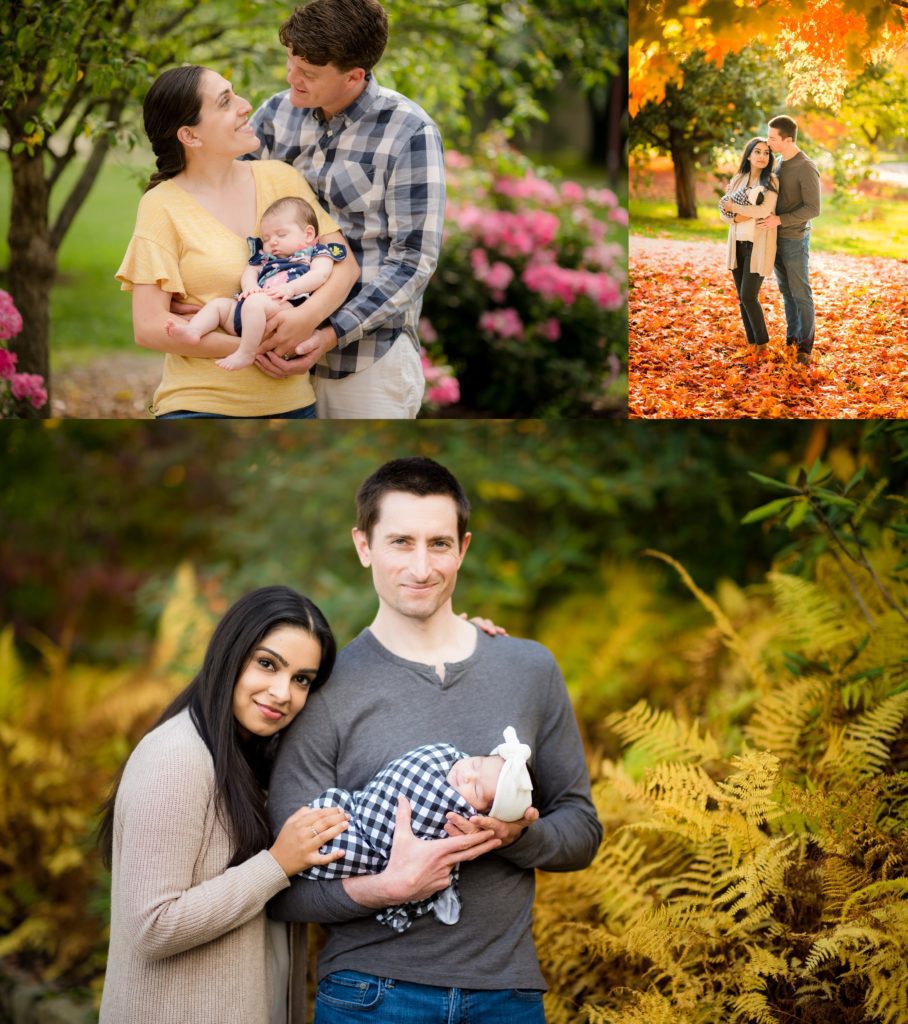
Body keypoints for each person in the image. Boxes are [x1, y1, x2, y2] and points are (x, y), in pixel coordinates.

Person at [268, 457, 602, 1024]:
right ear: (363, 545)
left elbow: (582, 830)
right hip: (369, 996)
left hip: (507, 995)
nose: (421, 568)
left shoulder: (528, 668)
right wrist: (385, 887)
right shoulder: (321, 690)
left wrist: (515, 834)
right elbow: (283, 887)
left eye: (438, 544)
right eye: (400, 542)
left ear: (463, 548)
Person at [97, 586, 350, 1024]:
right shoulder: (176, 759)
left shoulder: (254, 758)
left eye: (302, 679)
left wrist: (461, 642)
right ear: (231, 654)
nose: (282, 692)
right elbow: (151, 926)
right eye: (267, 664)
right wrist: (276, 864)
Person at [116, 64, 359, 418]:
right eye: (225, 102)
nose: (245, 105)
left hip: (293, 404)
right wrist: (257, 346)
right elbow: (150, 328)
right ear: (191, 136)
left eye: (235, 93)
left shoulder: (281, 179)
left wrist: (306, 318)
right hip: (198, 405)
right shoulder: (161, 206)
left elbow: (344, 266)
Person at [247, 0, 446, 419]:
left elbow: (413, 260)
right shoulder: (275, 115)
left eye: (309, 74)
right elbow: (232, 207)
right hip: (266, 349)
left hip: (366, 362)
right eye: (290, 62)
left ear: (355, 75)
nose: (290, 78)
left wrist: (329, 333)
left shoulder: (410, 132)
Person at [300, 727, 534, 934]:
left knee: (343, 851)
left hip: (371, 849)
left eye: (476, 788)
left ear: (485, 815)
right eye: (475, 763)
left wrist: (514, 837)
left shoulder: (461, 816)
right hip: (356, 810)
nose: (467, 775)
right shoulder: (443, 757)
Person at [165, 195, 348, 371]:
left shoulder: (315, 253)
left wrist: (291, 288)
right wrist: (250, 287)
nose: (272, 242)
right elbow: (250, 272)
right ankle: (194, 331)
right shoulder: (264, 257)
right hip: (249, 313)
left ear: (308, 234)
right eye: (267, 238)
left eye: (281, 234)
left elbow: (320, 275)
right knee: (219, 306)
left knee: (255, 303)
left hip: (285, 309)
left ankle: (246, 353)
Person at [757, 114, 821, 365]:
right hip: (775, 238)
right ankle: (792, 338)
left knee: (800, 292)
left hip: (794, 239)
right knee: (786, 291)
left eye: (773, 138)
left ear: (787, 139)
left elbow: (813, 209)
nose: (768, 141)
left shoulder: (806, 167)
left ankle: (805, 346)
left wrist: (780, 220)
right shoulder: (779, 164)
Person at [719, 138, 779, 351]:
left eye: (766, 153)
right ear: (749, 155)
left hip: (757, 246)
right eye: (758, 152)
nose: (763, 156)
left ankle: (762, 343)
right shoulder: (738, 179)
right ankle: (752, 342)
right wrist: (735, 218)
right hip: (737, 244)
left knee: (748, 296)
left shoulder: (771, 181)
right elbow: (724, 212)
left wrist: (735, 207)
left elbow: (763, 211)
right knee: (741, 298)